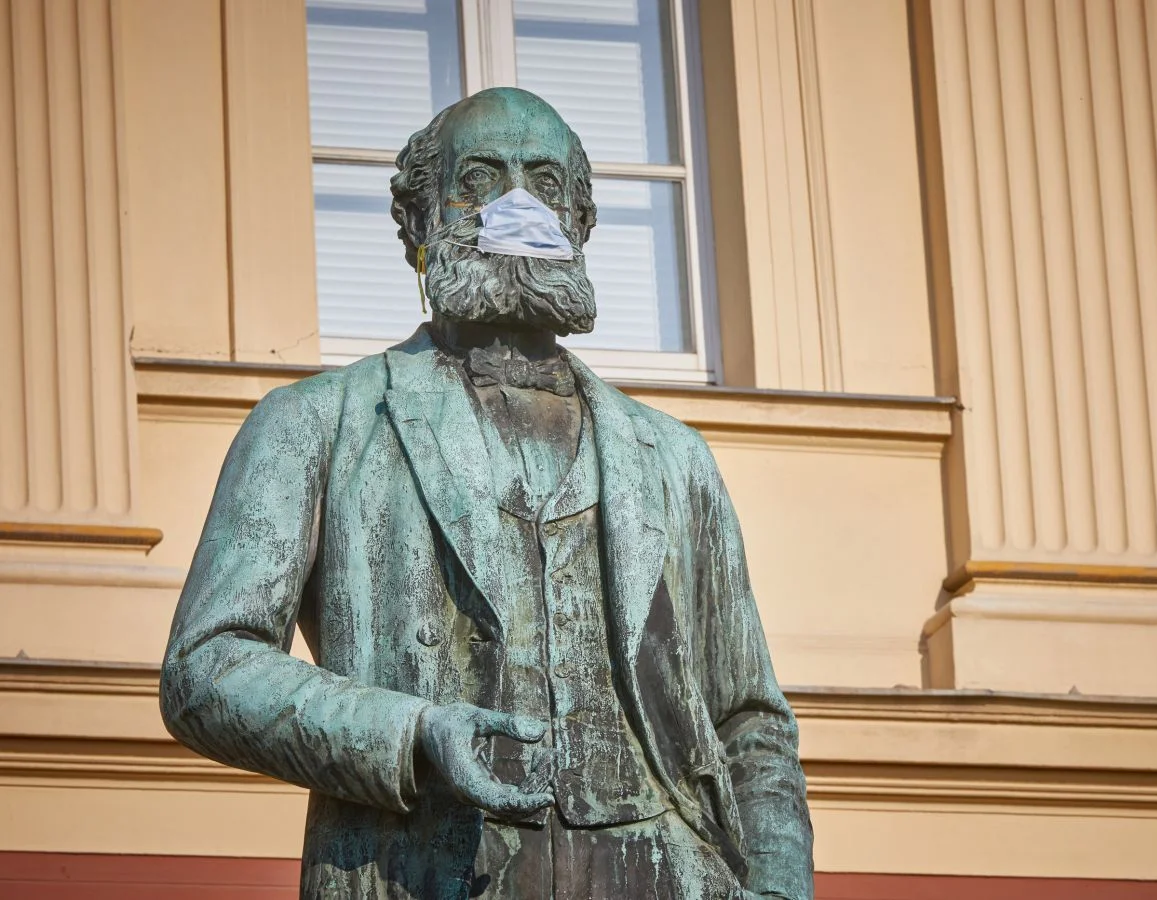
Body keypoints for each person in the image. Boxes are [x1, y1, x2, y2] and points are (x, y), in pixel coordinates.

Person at [161, 87, 813, 899]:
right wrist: (416, 735)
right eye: (479, 179)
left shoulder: (675, 460)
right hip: (428, 870)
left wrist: (780, 890)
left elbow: (748, 718)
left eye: (544, 182)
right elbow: (206, 668)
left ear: (579, 224)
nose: (514, 204)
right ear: (419, 222)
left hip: (671, 874)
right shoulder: (316, 424)